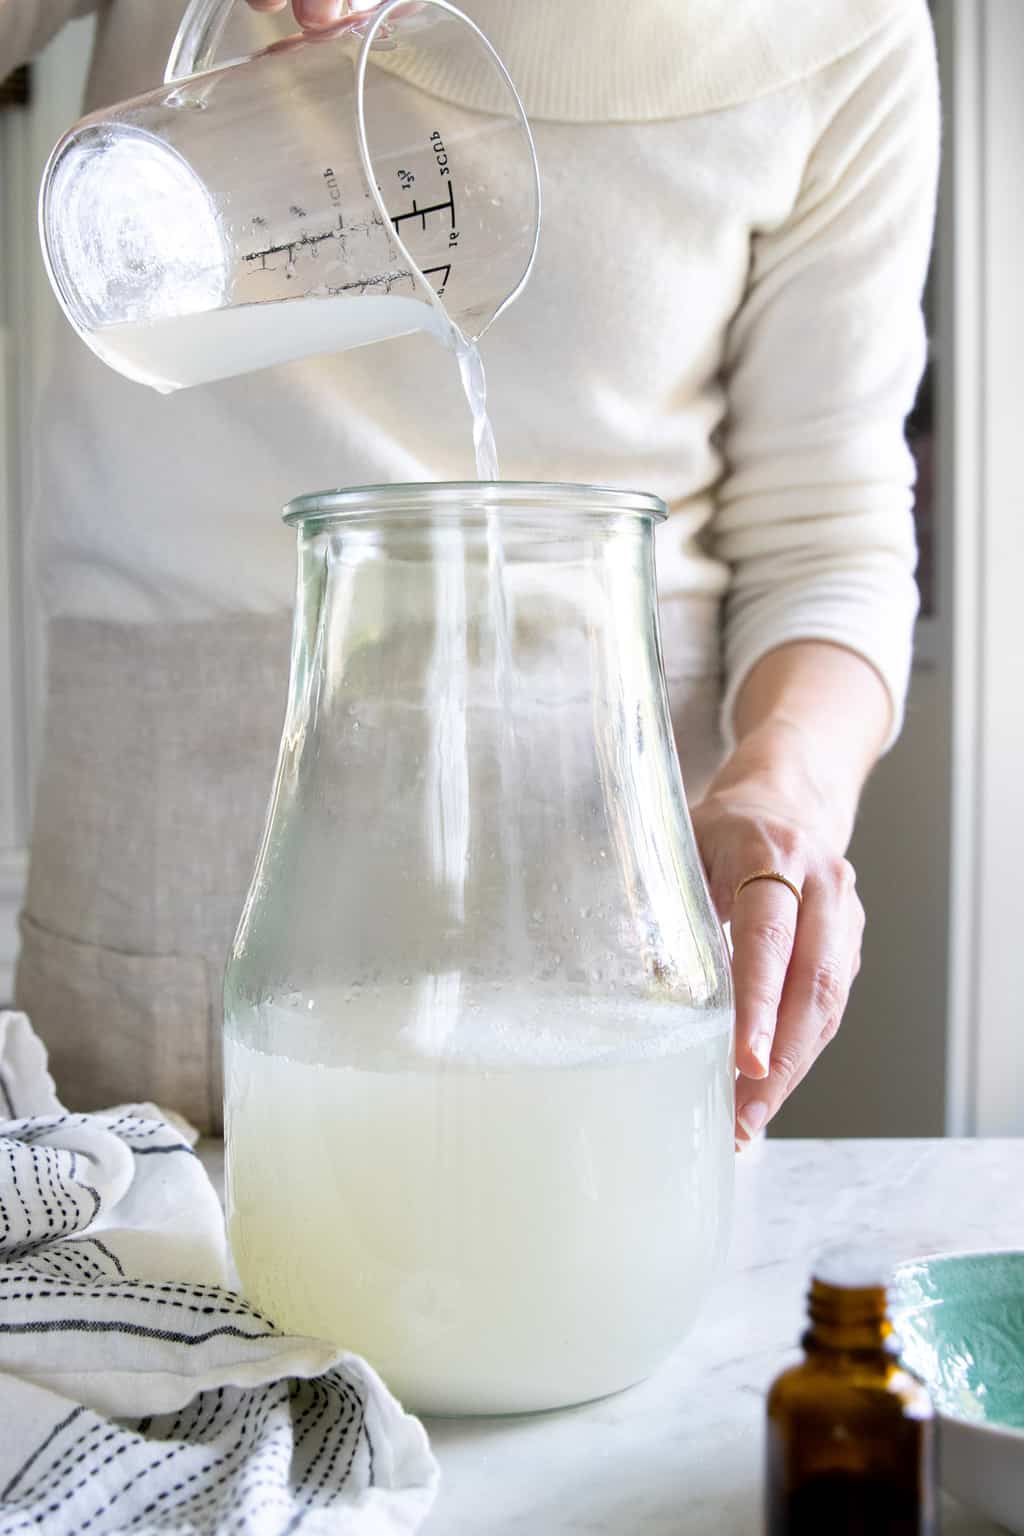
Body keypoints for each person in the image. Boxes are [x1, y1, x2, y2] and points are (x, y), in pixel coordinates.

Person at [2, 0, 938, 1138]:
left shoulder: (846, 32)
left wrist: (783, 788)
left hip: (601, 880)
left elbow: (826, 531)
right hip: (171, 823)